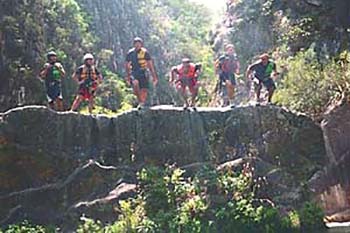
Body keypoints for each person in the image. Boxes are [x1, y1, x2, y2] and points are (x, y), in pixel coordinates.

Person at [125, 37, 158, 109]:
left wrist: (154, 76)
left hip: (143, 72)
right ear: (133, 45)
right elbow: (127, 65)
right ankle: (140, 101)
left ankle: (142, 103)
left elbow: (150, 65)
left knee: (144, 89)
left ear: (141, 45)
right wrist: (127, 76)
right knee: (135, 84)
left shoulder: (145, 53)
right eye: (136, 44)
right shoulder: (130, 53)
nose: (137, 45)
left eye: (139, 44)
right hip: (134, 72)